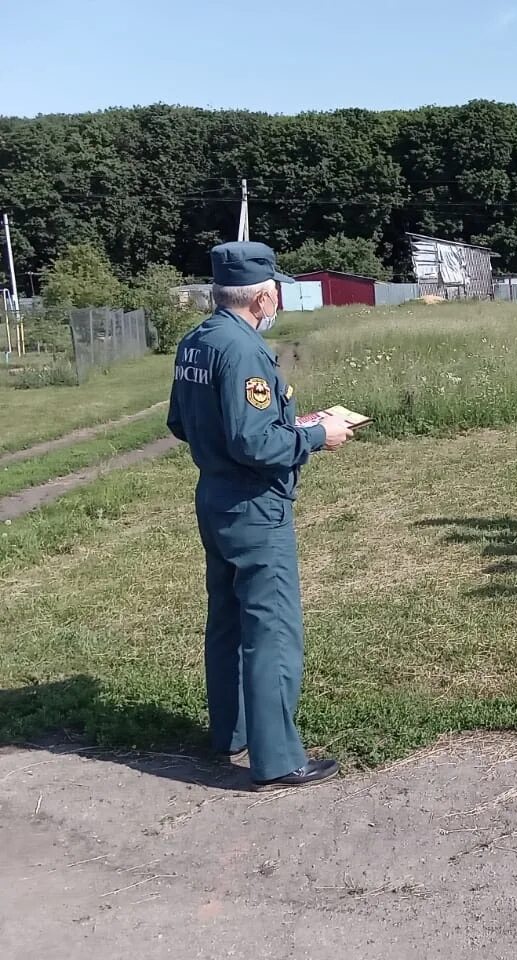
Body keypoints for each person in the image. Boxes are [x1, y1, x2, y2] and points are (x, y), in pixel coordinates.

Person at [167, 241, 353, 790]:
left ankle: (232, 732)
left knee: (226, 619)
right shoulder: (244, 349)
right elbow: (255, 441)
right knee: (271, 626)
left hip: (216, 495)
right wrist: (318, 435)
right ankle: (278, 759)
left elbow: (181, 423)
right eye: (277, 291)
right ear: (264, 295)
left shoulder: (197, 340)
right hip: (254, 503)